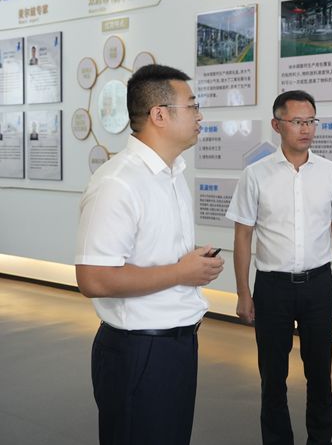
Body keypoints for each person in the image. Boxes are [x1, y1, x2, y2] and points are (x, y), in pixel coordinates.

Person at [74, 64, 224, 445]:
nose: (200, 116)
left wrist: (191, 262)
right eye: (192, 106)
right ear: (159, 115)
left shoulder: (172, 175)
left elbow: (153, 254)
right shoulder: (117, 182)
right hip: (138, 351)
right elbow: (93, 278)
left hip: (177, 345)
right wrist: (181, 272)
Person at [226, 90, 332, 445]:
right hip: (272, 288)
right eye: (297, 121)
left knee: (321, 375)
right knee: (272, 378)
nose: (306, 129)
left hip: (318, 286)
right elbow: (243, 236)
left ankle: (321, 440)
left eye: (311, 121)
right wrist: (243, 292)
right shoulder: (255, 175)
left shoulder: (330, 173)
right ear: (276, 125)